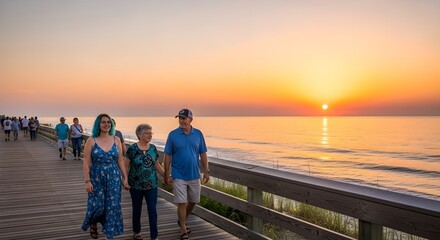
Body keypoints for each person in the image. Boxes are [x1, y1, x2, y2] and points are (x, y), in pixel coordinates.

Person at [163, 109, 210, 240]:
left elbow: (203, 153)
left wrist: (206, 170)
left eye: (184, 118)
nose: (181, 120)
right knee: (181, 202)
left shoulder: (198, 134)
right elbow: (167, 155)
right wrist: (166, 173)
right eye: (180, 118)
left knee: (194, 201)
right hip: (178, 175)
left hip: (194, 174)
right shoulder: (172, 135)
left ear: (191, 119)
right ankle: (183, 230)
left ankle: (182, 220)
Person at [81, 113, 129, 239]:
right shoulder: (91, 140)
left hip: (114, 176)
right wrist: (87, 181)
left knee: (112, 205)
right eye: (103, 122)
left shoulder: (116, 140)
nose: (106, 124)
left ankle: (110, 231)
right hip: (96, 177)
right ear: (98, 124)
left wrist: (125, 178)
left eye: (109, 122)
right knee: (98, 205)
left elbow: (120, 160)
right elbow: (86, 162)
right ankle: (93, 222)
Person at [125, 124, 164, 240]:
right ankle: (136, 232)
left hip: (152, 185)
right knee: (137, 209)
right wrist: (125, 180)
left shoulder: (153, 148)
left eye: (151, 133)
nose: (150, 135)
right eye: (147, 133)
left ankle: (154, 236)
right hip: (135, 185)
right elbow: (126, 166)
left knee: (152, 210)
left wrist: (167, 176)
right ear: (140, 135)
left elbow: (157, 164)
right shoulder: (132, 149)